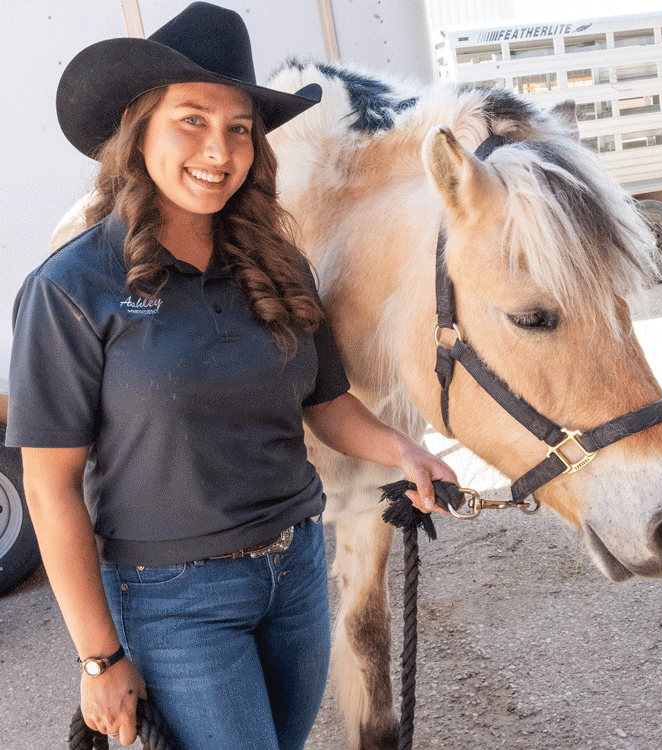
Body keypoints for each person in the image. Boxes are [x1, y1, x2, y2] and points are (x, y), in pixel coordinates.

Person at [5, 4, 457, 749]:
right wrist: (99, 656)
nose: (220, 149)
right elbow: (51, 488)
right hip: (173, 599)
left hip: (297, 572)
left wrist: (402, 452)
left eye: (239, 126)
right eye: (191, 119)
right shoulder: (70, 288)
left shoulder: (279, 266)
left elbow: (328, 403)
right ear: (138, 130)